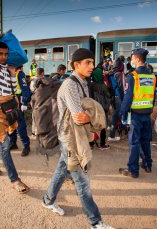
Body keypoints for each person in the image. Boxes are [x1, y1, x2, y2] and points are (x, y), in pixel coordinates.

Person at [42, 48, 114, 229]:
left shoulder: (82, 82)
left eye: (92, 62)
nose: (92, 66)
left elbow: (85, 112)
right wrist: (94, 117)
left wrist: (89, 116)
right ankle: (95, 221)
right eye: (88, 63)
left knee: (61, 170)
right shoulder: (70, 85)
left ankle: (47, 200)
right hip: (70, 138)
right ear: (76, 65)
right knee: (82, 181)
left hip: (73, 135)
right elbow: (78, 116)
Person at [0, 38, 30, 194]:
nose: (3, 57)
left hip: (8, 106)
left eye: (5, 54)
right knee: (5, 143)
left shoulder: (7, 68)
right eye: (0, 54)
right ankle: (14, 180)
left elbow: (13, 88)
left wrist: (11, 74)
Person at [118, 48, 156, 178]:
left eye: (133, 58)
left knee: (134, 143)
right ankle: (147, 165)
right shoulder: (152, 76)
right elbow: (153, 97)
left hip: (136, 115)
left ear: (138, 59)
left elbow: (128, 98)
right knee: (145, 140)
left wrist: (122, 113)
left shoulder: (133, 76)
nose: (131, 60)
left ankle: (133, 170)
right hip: (147, 113)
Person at [9, 65, 31, 156]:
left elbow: (25, 89)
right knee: (10, 124)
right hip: (9, 101)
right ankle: (13, 142)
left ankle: (26, 145)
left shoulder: (20, 74)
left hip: (18, 102)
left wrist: (25, 102)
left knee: (20, 126)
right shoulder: (9, 73)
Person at [90, 61, 111, 150]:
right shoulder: (103, 85)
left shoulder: (91, 85)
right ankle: (102, 144)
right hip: (102, 109)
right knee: (103, 126)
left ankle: (90, 143)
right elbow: (108, 96)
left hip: (93, 109)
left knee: (92, 125)